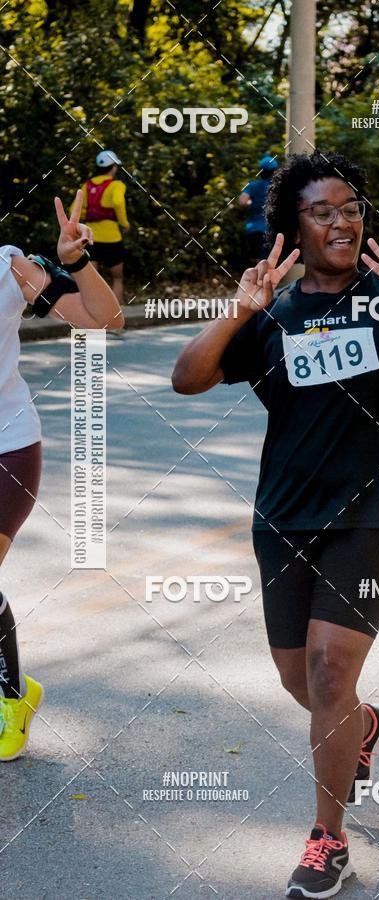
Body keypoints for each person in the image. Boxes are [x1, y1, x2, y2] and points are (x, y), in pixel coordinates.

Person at [172, 151, 379, 898]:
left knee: (326, 671)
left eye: (350, 207)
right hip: (283, 518)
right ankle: (363, 724)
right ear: (291, 227)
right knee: (304, 683)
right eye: (324, 210)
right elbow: (185, 380)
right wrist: (240, 309)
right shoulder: (272, 316)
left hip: (376, 516)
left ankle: (328, 838)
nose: (343, 220)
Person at [0, 190, 123, 761]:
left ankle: (10, 699)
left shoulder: (10, 267)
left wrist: (74, 262)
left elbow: (104, 320)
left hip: (6, 447)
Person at [77, 149, 129, 306]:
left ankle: (92, 320)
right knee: (117, 278)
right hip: (113, 238)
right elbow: (118, 202)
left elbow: (75, 210)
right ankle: (116, 323)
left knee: (90, 281)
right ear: (113, 167)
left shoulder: (87, 186)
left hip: (90, 239)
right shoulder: (116, 185)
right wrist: (124, 224)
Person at [238, 154, 279, 265]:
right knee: (271, 263)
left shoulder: (252, 186)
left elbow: (242, 202)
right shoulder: (279, 187)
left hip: (254, 230)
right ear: (275, 171)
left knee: (257, 262)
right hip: (273, 232)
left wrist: (251, 204)